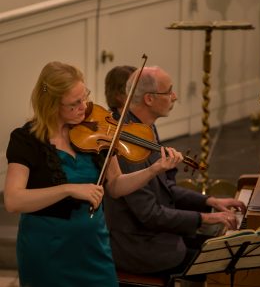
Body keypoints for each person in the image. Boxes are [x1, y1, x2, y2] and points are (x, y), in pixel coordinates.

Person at [3, 61, 183, 287]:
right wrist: (68, 189)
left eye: (85, 97)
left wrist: (154, 169)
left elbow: (116, 185)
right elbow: (13, 200)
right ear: (52, 105)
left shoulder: (97, 130)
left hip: (94, 247)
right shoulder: (26, 140)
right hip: (47, 250)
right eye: (74, 103)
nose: (84, 106)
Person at [103, 66, 247, 281]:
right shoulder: (126, 146)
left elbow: (166, 188)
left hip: (159, 236)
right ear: (149, 99)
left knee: (229, 252)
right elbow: (150, 214)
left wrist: (210, 201)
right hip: (140, 249)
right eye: (169, 91)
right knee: (226, 267)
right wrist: (205, 218)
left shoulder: (146, 128)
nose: (175, 96)